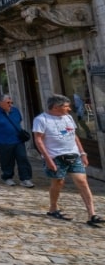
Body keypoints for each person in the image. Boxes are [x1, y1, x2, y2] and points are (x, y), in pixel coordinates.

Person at [33, 94, 102, 227]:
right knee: (58, 182)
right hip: (55, 156)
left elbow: (74, 135)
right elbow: (38, 140)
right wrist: (48, 159)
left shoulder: (68, 117)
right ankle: (53, 208)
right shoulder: (41, 120)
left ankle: (92, 214)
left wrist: (82, 153)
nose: (69, 109)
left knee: (82, 181)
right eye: (66, 106)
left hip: (73, 155)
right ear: (55, 107)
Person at [0, 95, 34, 187]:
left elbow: (18, 121)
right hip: (3, 141)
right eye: (8, 103)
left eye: (11, 103)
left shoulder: (15, 111)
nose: (10, 104)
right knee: (7, 160)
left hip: (18, 140)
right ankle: (7, 177)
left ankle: (25, 179)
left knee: (22, 158)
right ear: (1, 103)